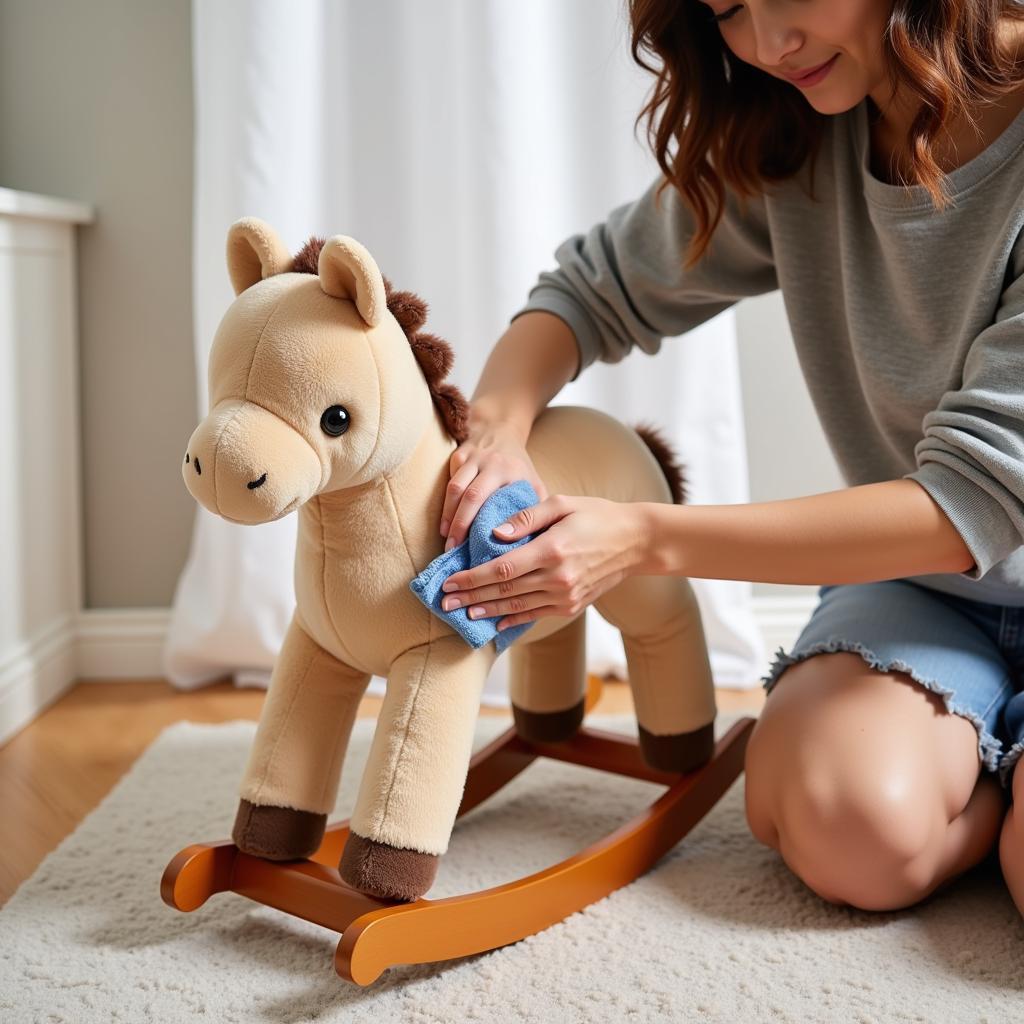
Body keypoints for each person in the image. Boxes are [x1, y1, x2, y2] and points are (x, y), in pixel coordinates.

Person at [433, 0, 1024, 916]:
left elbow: (968, 505)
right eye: (729, 10)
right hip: (924, 594)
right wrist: (496, 427)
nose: (767, 44)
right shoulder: (798, 133)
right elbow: (589, 289)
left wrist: (639, 538)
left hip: (948, 538)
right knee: (840, 824)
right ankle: (981, 788)